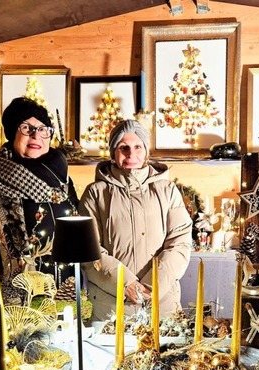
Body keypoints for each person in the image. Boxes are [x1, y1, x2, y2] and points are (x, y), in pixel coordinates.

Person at [0, 97, 78, 283]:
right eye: (27, 127)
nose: (36, 135)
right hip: (10, 292)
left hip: (63, 286)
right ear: (12, 132)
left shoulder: (61, 177)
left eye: (42, 129)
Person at [78, 119, 193, 322]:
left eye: (138, 147)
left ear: (146, 151)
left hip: (162, 304)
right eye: (124, 147)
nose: (131, 154)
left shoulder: (167, 191)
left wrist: (152, 285)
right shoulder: (95, 194)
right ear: (113, 152)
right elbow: (88, 249)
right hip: (111, 307)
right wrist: (125, 284)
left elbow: (180, 243)